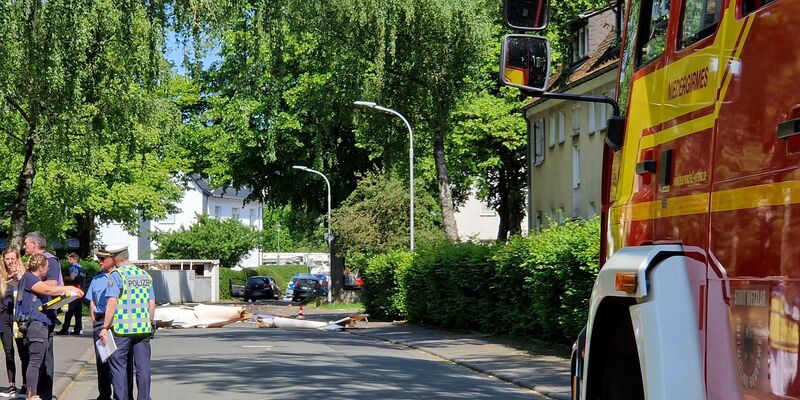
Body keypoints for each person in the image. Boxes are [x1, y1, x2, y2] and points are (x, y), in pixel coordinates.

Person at [16, 254, 83, 400]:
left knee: (37, 361)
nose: (48, 269)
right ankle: (31, 395)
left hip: (41, 323)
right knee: (35, 361)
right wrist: (71, 288)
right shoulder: (30, 278)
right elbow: (48, 291)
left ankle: (33, 394)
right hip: (36, 324)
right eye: (47, 266)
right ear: (40, 267)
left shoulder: (33, 279)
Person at [100, 244, 154, 400]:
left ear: (115, 258)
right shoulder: (144, 275)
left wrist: (105, 327)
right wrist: (149, 323)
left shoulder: (117, 275)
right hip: (143, 329)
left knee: (119, 369)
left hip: (121, 330)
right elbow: (152, 303)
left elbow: (112, 302)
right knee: (143, 368)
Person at [86, 247, 133, 400]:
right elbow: (92, 300)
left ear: (112, 259)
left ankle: (126, 395)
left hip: (119, 323)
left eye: (102, 259)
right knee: (103, 361)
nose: (98, 262)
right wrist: (96, 321)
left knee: (122, 363)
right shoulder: (96, 279)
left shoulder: (122, 276)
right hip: (101, 323)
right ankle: (104, 394)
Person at [22, 232, 64, 400]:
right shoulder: (32, 267)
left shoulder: (50, 260)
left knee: (43, 357)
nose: (24, 247)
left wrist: (32, 284)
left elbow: (52, 284)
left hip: (43, 315)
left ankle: (43, 394)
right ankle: (33, 392)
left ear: (35, 244)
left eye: (26, 243)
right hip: (34, 316)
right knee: (34, 357)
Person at [0, 247, 25, 397]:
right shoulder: (1, 276)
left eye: (12, 258)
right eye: (7, 259)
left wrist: (18, 278)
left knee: (23, 352)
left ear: (17, 259)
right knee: (8, 352)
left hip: (19, 317)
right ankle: (11, 385)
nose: (10, 262)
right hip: (3, 318)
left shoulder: (23, 274)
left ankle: (26, 385)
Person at [58, 252, 85, 336]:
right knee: (78, 312)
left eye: (69, 259)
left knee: (70, 311)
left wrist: (65, 278)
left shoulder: (73, 268)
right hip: (81, 292)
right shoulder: (82, 269)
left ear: (74, 259)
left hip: (74, 292)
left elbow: (72, 277)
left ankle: (65, 329)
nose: (68, 261)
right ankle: (77, 329)